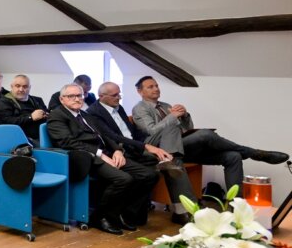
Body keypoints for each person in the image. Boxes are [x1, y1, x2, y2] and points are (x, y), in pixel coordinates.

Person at [131, 76, 288, 197]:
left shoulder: (165, 106)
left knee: (232, 156)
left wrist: (184, 116)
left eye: (157, 85)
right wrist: (172, 117)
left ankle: (236, 203)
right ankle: (252, 153)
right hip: (159, 150)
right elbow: (152, 131)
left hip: (181, 148)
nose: (156, 89)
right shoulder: (140, 108)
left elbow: (187, 129)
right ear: (140, 91)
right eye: (150, 87)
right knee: (206, 134)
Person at [47, 84, 158, 235]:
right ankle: (100, 218)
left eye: (79, 95)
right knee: (123, 179)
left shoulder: (85, 115)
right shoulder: (57, 116)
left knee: (149, 175)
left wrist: (118, 150)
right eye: (71, 96)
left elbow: (105, 135)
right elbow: (67, 142)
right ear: (62, 99)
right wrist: (101, 154)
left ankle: (124, 213)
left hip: (106, 154)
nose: (76, 99)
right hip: (84, 158)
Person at [86, 82, 187, 224]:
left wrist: (145, 145)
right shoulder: (93, 112)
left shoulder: (118, 107)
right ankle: (127, 211)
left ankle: (134, 210)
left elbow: (131, 132)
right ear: (101, 96)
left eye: (119, 94)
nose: (119, 98)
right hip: (118, 150)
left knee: (165, 162)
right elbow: (112, 137)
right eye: (115, 95)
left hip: (133, 147)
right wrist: (146, 146)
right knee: (150, 173)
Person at [0, 74, 49, 143]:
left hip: (44, 136)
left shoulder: (38, 100)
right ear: (11, 86)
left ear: (29, 87)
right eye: (17, 86)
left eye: (25, 86)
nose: (21, 89)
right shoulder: (4, 102)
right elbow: (6, 123)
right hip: (20, 140)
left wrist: (46, 114)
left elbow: (47, 114)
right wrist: (30, 117)